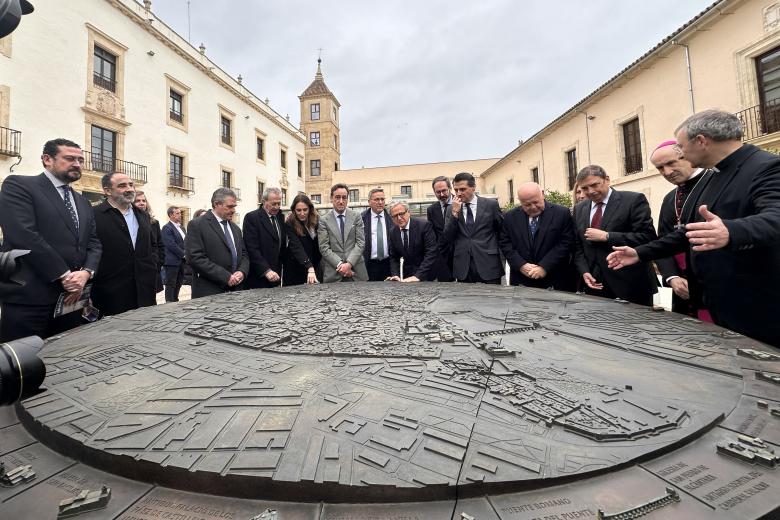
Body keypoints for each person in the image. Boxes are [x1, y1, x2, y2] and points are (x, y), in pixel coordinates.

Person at [607, 110, 780, 347]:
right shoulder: (712, 176)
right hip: (718, 300)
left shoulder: (766, 166)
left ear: (701, 141)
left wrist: (731, 231)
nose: (681, 152)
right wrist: (639, 253)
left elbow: (775, 216)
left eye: (681, 145)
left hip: (757, 303)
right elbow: (686, 233)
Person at [0, 138, 102, 341]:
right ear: (47, 159)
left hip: (71, 301)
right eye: (70, 158)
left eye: (80, 160)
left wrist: (86, 273)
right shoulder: (19, 186)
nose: (77, 164)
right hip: (30, 299)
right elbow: (23, 235)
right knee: (23, 365)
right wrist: (64, 275)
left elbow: (93, 242)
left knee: (65, 362)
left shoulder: (83, 202)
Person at [573, 165, 658, 306]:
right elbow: (578, 245)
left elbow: (647, 237)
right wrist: (584, 271)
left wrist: (608, 236)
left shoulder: (633, 200)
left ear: (607, 180)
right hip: (594, 286)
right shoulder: (580, 208)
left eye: (594, 185)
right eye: (585, 188)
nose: (590, 191)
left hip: (630, 284)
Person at [649, 140, 708, 318]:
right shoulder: (670, 198)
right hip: (681, 285)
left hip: (713, 284)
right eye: (660, 168)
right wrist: (672, 277)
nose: (667, 172)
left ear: (688, 156)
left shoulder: (714, 182)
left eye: (671, 163)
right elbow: (663, 242)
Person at [91, 172, 158, 316]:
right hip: (110, 293)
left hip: (144, 290)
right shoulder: (94, 215)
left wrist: (152, 266)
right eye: (122, 186)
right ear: (107, 190)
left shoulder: (143, 215)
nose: (129, 189)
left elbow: (153, 245)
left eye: (131, 185)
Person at [500, 182, 575, 289]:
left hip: (555, 278)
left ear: (543, 194)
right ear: (520, 202)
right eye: (527, 205)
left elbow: (566, 243)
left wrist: (544, 267)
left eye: (536, 202)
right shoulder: (510, 217)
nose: (533, 207)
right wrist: (521, 265)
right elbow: (505, 243)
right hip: (522, 280)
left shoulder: (561, 213)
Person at [185, 188, 249, 298]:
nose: (233, 210)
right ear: (216, 204)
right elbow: (195, 258)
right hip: (209, 292)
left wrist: (242, 271)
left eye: (234, 206)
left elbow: (244, 255)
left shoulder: (235, 229)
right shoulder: (197, 225)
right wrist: (225, 277)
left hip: (236, 292)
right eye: (229, 206)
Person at [443, 172, 504, 284]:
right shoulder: (451, 209)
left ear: (473, 188)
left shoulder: (491, 205)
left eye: (462, 189)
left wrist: (501, 256)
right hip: (463, 266)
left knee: (494, 300)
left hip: (489, 263)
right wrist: (455, 213)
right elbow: (448, 237)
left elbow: (502, 232)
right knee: (466, 301)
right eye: (456, 190)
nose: (458, 193)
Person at [318, 183, 368, 282]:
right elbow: (324, 247)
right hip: (334, 272)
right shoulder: (324, 220)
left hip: (356, 271)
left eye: (344, 197)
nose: (341, 201)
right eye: (337, 197)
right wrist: (341, 265)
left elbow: (361, 243)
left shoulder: (356, 217)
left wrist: (349, 264)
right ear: (331, 198)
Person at [243, 187, 286, 289]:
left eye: (279, 203)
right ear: (263, 201)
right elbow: (252, 249)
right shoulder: (252, 218)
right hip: (259, 276)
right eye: (273, 204)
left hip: (276, 275)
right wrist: (266, 270)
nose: (277, 207)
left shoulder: (280, 217)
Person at [387, 201, 437, 282]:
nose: (399, 218)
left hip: (427, 277)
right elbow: (394, 257)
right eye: (395, 216)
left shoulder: (424, 226)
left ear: (409, 212)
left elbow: (431, 253)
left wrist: (418, 276)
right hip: (407, 279)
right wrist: (396, 275)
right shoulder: (393, 232)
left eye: (401, 214)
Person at [284, 194, 321, 286]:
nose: (302, 213)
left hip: (315, 264)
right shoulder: (290, 222)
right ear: (294, 210)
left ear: (310, 208)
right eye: (298, 210)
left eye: (305, 210)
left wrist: (313, 267)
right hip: (296, 266)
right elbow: (296, 246)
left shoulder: (317, 220)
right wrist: (309, 266)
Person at [133, 190, 165, 294]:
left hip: (151, 267)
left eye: (144, 200)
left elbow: (160, 244)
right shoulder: (128, 222)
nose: (141, 203)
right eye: (137, 201)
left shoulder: (154, 223)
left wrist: (157, 263)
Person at [426, 176, 454, 281]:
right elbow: (433, 234)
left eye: (444, 191)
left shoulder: (462, 203)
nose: (441, 194)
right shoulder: (431, 210)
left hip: (462, 255)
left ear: (450, 188)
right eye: (438, 192)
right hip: (442, 259)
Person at [362, 188, 392, 281]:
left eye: (382, 199)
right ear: (369, 202)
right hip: (369, 265)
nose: (380, 202)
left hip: (389, 264)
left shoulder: (392, 217)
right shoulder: (361, 218)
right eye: (376, 199)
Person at [161, 206, 187, 302]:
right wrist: (184, 254)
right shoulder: (167, 228)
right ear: (171, 215)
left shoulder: (182, 228)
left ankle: (175, 300)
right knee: (171, 283)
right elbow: (171, 245)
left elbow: (185, 242)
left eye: (180, 213)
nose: (180, 215)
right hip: (172, 261)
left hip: (181, 261)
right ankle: (169, 303)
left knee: (179, 282)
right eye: (177, 213)